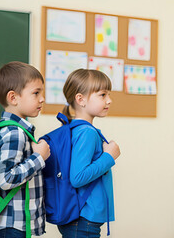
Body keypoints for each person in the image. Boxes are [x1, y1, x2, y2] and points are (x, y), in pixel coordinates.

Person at [0, 61, 50, 237]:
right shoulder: (15, 133)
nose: (42, 98)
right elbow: (6, 179)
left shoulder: (14, 130)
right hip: (11, 227)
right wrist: (39, 158)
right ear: (13, 98)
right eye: (36, 93)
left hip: (14, 226)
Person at [58, 69, 121, 238]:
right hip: (83, 219)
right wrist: (109, 157)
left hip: (80, 218)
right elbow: (78, 177)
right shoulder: (87, 132)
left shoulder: (75, 129)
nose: (109, 100)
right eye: (102, 95)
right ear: (81, 99)